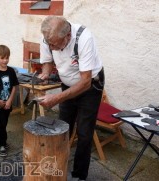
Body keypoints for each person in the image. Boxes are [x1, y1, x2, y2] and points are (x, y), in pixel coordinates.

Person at [38, 16, 104, 181]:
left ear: (67, 36)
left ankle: (79, 175)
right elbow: (47, 60)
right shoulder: (48, 38)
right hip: (67, 83)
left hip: (90, 86)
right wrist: (46, 72)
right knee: (61, 127)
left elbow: (85, 82)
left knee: (84, 133)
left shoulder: (84, 38)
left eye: (55, 44)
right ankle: (57, 168)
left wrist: (56, 99)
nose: (52, 47)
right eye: (50, 43)